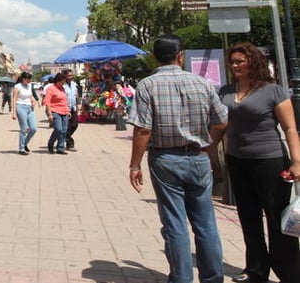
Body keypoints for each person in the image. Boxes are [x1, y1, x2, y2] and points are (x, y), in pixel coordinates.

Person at [128, 34, 227, 283]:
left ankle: (181, 278)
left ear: (154, 57)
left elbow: (143, 129)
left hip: (165, 159)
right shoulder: (202, 83)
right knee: (205, 223)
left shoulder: (147, 85)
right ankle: (213, 278)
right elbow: (222, 120)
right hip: (198, 156)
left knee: (175, 223)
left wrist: (135, 164)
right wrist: (208, 146)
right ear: (180, 55)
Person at [216, 42, 300, 283]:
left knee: (276, 218)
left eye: (240, 61)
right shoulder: (226, 91)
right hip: (238, 160)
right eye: (233, 62)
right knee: (248, 216)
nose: (235, 65)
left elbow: (290, 128)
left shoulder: (273, 91)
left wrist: (297, 162)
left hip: (270, 161)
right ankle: (256, 270)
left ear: (253, 62)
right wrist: (206, 150)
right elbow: (221, 127)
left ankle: (290, 272)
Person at [11, 72, 38, 155]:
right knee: (24, 129)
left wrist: (34, 101)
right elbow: (14, 99)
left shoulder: (29, 86)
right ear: (23, 79)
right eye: (27, 79)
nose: (29, 81)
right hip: (20, 107)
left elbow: (30, 95)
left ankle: (25, 143)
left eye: (30, 79)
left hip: (30, 108)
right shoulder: (17, 87)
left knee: (33, 128)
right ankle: (21, 148)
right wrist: (14, 113)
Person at [43, 72, 70, 155]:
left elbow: (65, 100)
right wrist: (49, 114)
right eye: (62, 82)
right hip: (55, 111)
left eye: (64, 82)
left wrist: (68, 110)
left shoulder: (62, 89)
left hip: (64, 111)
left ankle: (60, 148)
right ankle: (51, 143)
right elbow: (47, 102)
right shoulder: (51, 89)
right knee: (58, 129)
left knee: (64, 130)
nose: (63, 84)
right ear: (57, 81)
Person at [62, 69, 81, 150]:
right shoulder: (62, 85)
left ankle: (63, 137)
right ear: (65, 76)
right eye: (69, 75)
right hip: (65, 108)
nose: (71, 77)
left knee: (75, 125)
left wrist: (78, 106)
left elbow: (76, 96)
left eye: (72, 75)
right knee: (67, 126)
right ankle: (70, 143)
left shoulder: (74, 84)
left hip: (73, 107)